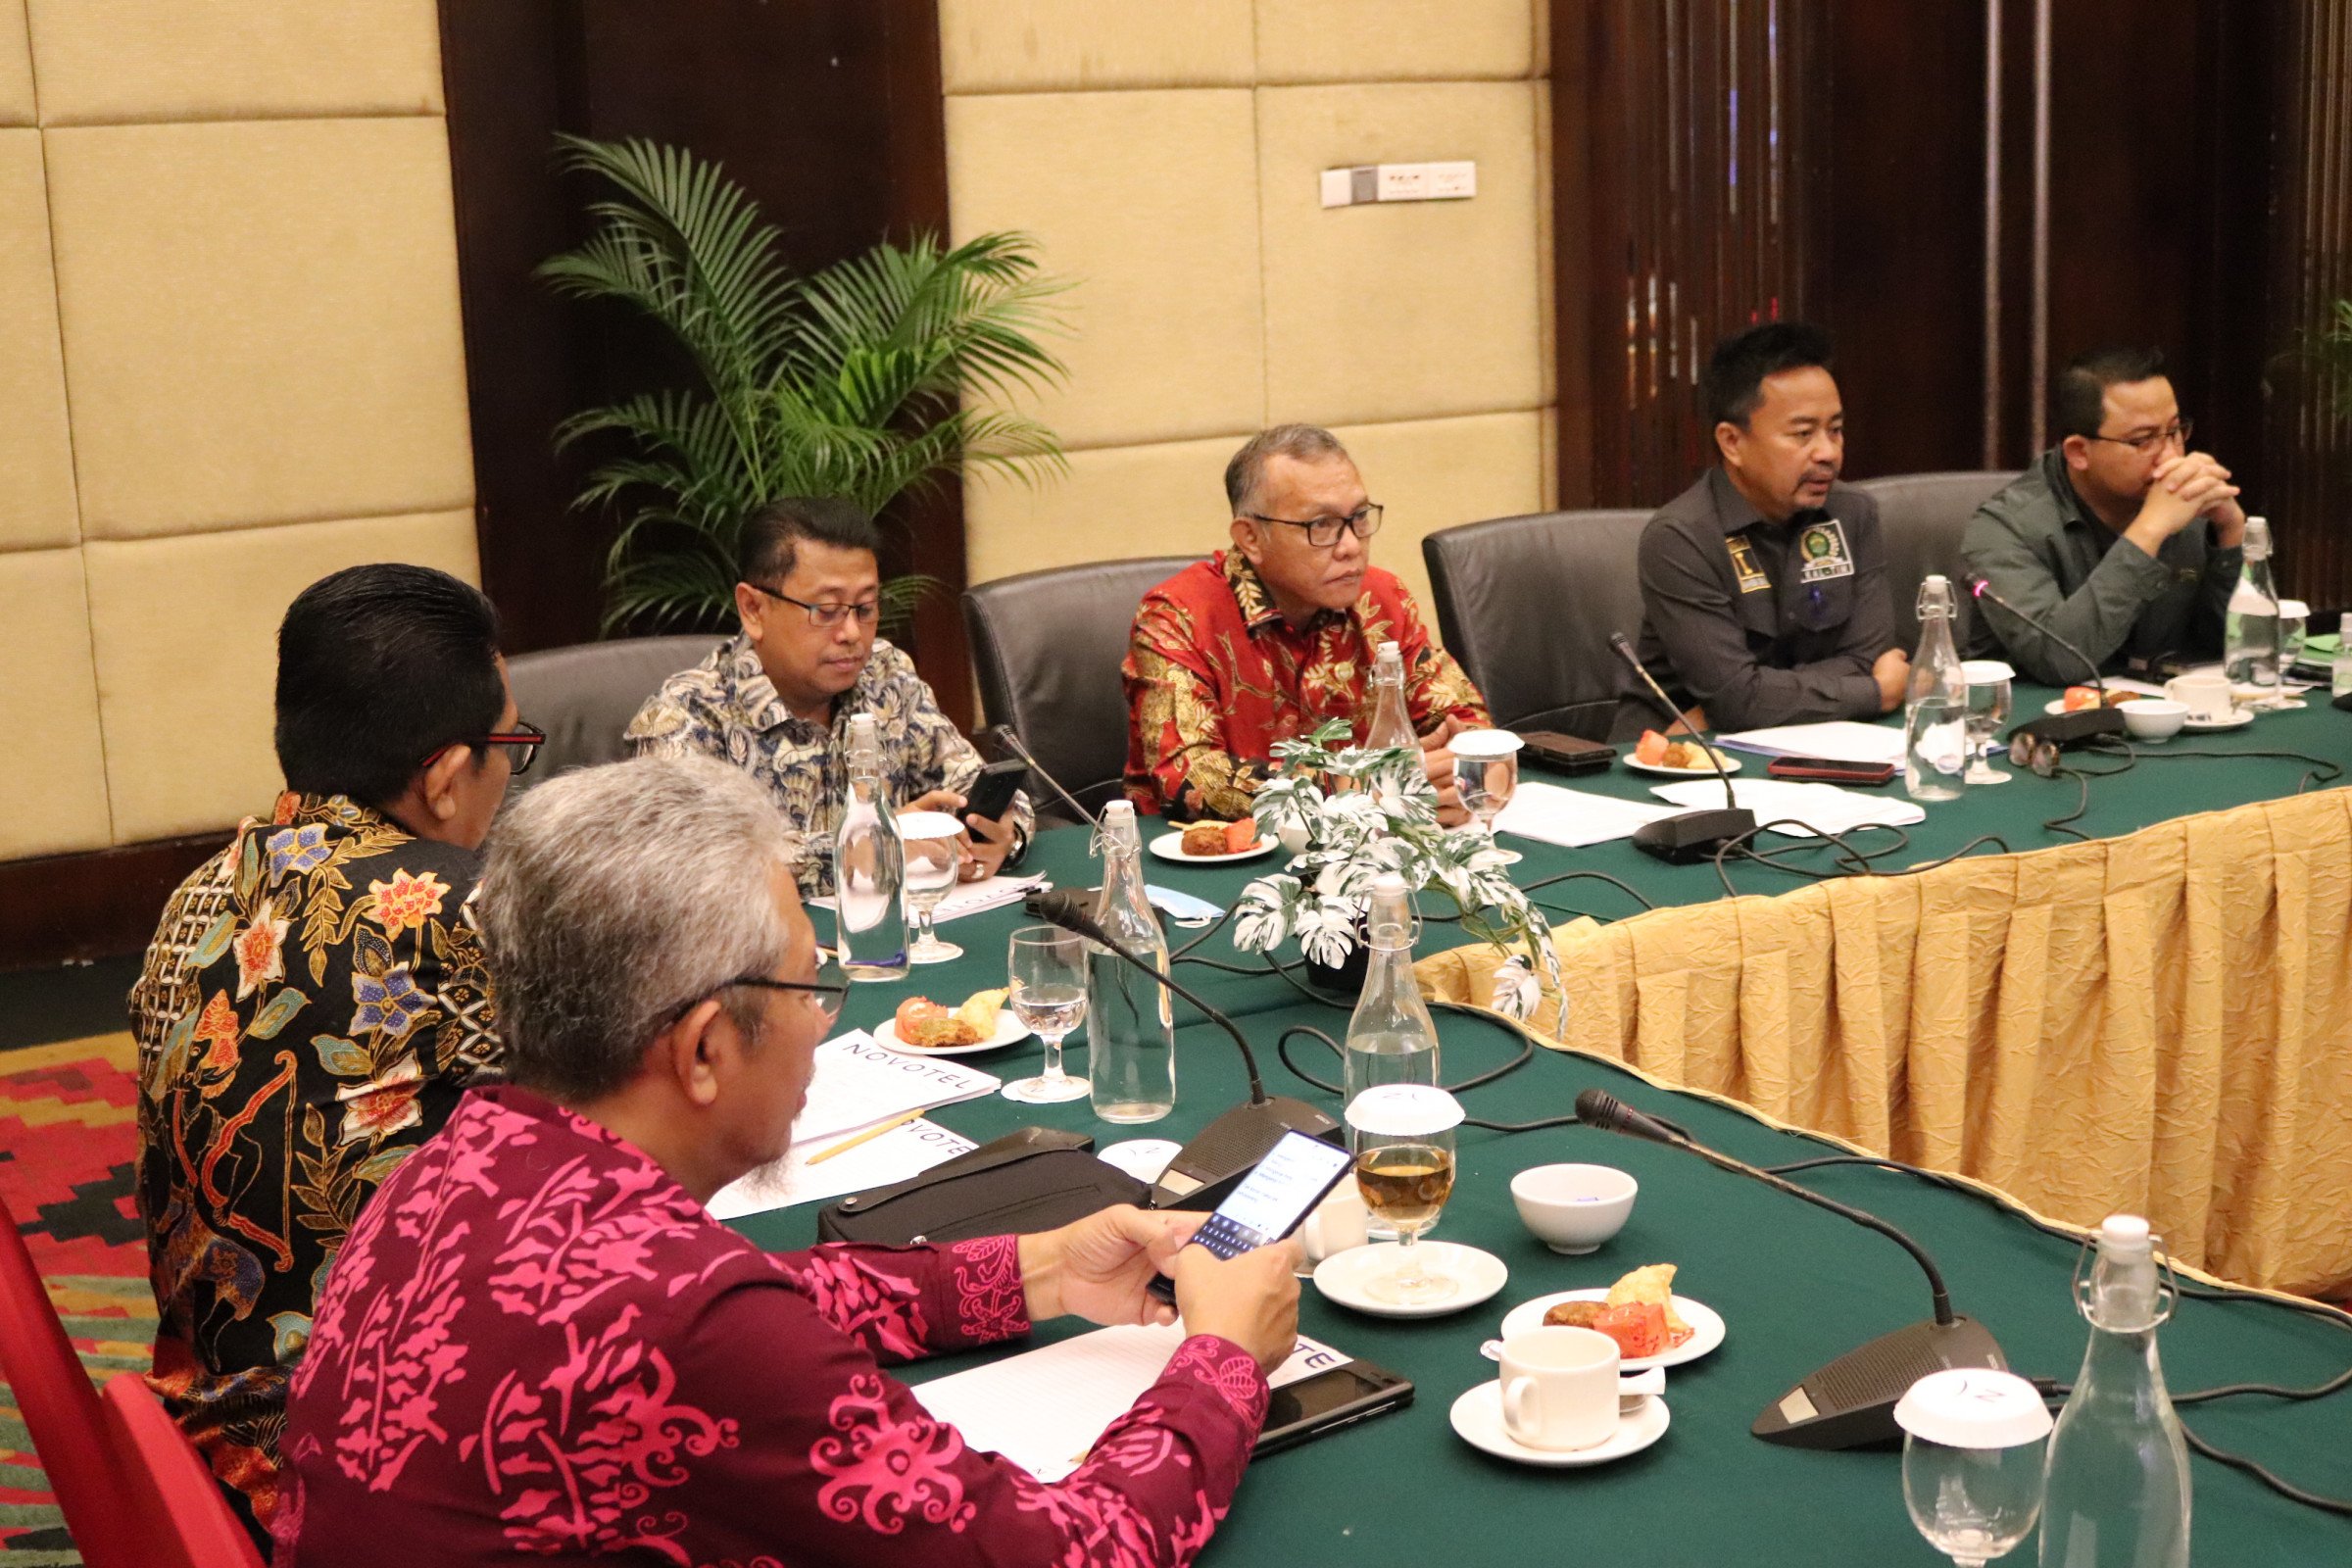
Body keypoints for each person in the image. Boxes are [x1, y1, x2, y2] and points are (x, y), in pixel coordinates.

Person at [270, 756, 1302, 1565]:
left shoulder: (462, 1157)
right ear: (704, 1050)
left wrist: (1045, 1269)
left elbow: (769, 1296)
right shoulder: (684, 1322)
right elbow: (1066, 1554)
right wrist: (1221, 1362)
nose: (823, 1026)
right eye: (812, 990)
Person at [127, 564, 528, 1536]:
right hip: (369, 1463)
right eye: (513, 746)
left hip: (216, 1426)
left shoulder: (198, 893)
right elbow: (619, 1145)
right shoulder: (456, 910)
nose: (514, 770)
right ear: (445, 778)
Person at [627, 496, 1030, 897]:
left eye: (865, 608)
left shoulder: (885, 675)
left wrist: (1000, 832)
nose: (852, 633)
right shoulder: (686, 717)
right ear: (753, 609)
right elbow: (683, 868)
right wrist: (864, 850)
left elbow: (974, 783)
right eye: (826, 610)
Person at [1124, 424, 1489, 822]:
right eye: (1321, 525)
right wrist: (1359, 785)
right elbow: (1192, 778)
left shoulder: (1381, 599)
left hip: (1372, 845)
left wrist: (1454, 773)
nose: (1351, 546)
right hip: (1212, 852)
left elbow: (1466, 721)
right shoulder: (1176, 618)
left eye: (1359, 517)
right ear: (1251, 538)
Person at [1615, 321, 1908, 738]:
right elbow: (1737, 699)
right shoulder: (1681, 538)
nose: (1828, 452)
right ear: (1732, 442)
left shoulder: (1853, 513)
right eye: (1803, 434)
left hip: (1819, 744)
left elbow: (1869, 658)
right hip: (1682, 757)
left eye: (1835, 430)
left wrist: (1749, 704)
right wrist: (1872, 693)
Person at [1964, 346, 2245, 683]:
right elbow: (2061, 661)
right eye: (2143, 440)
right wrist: (2149, 530)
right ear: (2079, 452)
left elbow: (2237, 647)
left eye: (2174, 431)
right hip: (2038, 712)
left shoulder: (2186, 501)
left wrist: (2231, 533)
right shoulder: (2003, 528)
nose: (2171, 457)